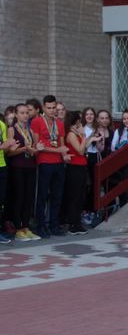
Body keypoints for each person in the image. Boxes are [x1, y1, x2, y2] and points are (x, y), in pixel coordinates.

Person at [31, 95, 69, 238]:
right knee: (42, 195)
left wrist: (64, 155)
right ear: (43, 108)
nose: (52, 110)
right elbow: (37, 145)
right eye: (49, 108)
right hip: (44, 162)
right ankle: (40, 226)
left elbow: (61, 144)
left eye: (54, 108)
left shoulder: (59, 123)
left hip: (58, 163)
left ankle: (54, 225)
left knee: (57, 195)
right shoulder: (36, 121)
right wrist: (58, 150)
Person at [6, 104, 40, 242]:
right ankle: (18, 228)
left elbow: (33, 149)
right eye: (22, 113)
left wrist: (36, 149)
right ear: (16, 114)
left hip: (30, 166)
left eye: (27, 113)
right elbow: (9, 152)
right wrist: (24, 149)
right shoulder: (11, 129)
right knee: (19, 196)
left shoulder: (30, 130)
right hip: (17, 166)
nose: (25, 115)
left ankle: (26, 227)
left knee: (28, 197)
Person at [64, 110, 97, 235]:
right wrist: (83, 136)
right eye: (79, 120)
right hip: (74, 167)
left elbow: (84, 147)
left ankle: (77, 222)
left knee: (80, 195)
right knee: (75, 195)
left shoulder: (76, 133)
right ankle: (73, 224)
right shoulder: (71, 134)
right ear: (76, 121)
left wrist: (90, 139)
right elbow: (80, 150)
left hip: (81, 166)